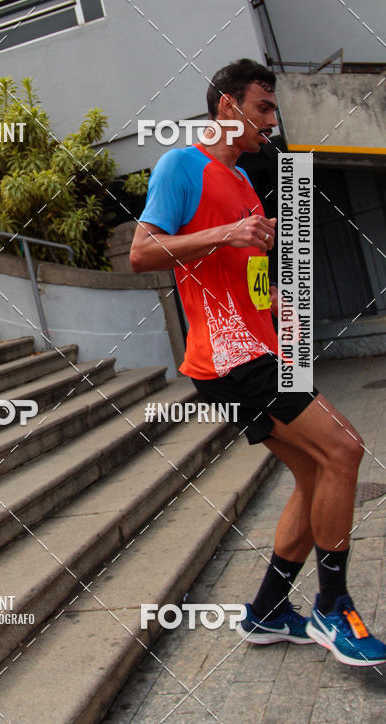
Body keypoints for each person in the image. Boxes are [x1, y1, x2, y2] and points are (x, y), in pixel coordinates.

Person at [130, 58, 386, 666]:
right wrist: (228, 235)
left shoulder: (244, 182)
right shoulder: (180, 165)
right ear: (228, 107)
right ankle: (332, 607)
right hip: (229, 358)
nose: (271, 122)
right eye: (263, 109)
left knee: (316, 472)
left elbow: (250, 278)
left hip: (264, 349)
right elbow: (142, 252)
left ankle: (268, 611)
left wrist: (275, 297)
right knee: (345, 450)